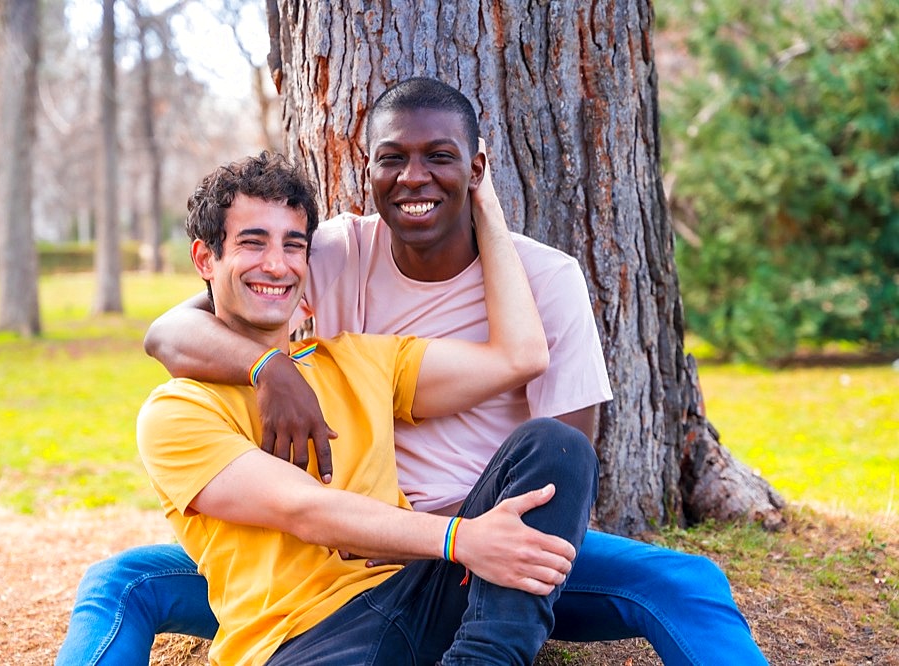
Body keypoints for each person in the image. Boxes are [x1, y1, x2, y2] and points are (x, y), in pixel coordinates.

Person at [58, 78, 767, 666]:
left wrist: (478, 540)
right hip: (348, 567)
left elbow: (554, 431)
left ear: (478, 168)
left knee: (679, 573)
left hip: (473, 540)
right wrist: (270, 363)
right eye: (392, 158)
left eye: (442, 158)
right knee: (122, 580)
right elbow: (174, 328)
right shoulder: (334, 251)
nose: (414, 177)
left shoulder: (538, 284)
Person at [135, 150, 599, 665]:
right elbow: (307, 511)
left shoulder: (362, 359)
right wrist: (462, 538)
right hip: (307, 639)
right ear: (205, 260)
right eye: (252, 242)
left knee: (555, 446)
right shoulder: (177, 411)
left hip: (415, 598)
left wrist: (482, 200)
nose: (276, 264)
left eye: (294, 246)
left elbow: (520, 356)